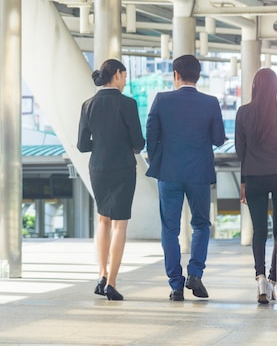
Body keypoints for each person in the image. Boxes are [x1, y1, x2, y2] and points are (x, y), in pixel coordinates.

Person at [145, 54, 226, 301]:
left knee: (170, 228)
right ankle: (195, 272)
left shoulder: (161, 100)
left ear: (176, 75)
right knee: (201, 224)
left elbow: (151, 136)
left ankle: (176, 285)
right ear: (198, 76)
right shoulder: (211, 103)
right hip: (199, 173)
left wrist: (161, 159)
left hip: (168, 173)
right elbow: (219, 139)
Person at [77, 58, 145, 301]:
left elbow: (83, 145)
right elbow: (138, 142)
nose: (125, 82)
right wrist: (122, 143)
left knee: (103, 220)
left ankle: (102, 274)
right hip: (123, 168)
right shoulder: (127, 104)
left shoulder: (88, 104)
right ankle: (113, 282)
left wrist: (103, 143)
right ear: (117, 74)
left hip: (98, 168)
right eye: (124, 77)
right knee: (120, 223)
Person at [235, 68, 277, 304]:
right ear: (275, 87)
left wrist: (243, 183)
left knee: (259, 231)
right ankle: (275, 280)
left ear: (254, 86)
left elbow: (240, 152)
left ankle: (261, 279)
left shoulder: (243, 113)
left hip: (253, 176)